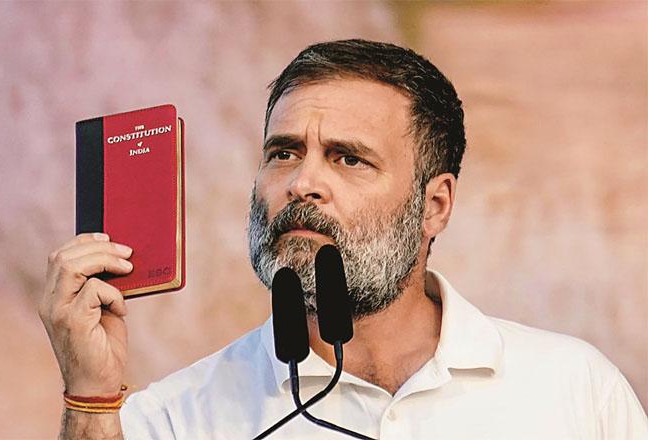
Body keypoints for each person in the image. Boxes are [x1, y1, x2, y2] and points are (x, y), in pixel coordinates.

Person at [39, 39, 647, 439]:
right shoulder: (170, 417)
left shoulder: (575, 391)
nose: (303, 183)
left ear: (434, 205)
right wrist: (90, 394)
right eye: (283, 153)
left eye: (348, 159)